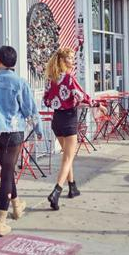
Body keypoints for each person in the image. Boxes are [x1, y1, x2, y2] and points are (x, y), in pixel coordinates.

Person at [0, 46, 43, 237]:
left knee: (7, 170)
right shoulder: (20, 83)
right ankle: (1, 222)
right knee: (7, 172)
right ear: (14, 62)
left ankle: (17, 205)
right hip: (14, 132)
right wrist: (38, 129)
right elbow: (30, 110)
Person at [43, 48, 107, 211]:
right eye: (71, 58)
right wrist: (98, 105)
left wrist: (60, 101)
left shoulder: (51, 79)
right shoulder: (69, 78)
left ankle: (72, 187)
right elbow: (82, 96)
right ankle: (56, 192)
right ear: (63, 61)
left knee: (67, 155)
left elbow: (46, 101)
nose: (73, 61)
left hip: (57, 120)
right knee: (67, 158)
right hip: (69, 119)